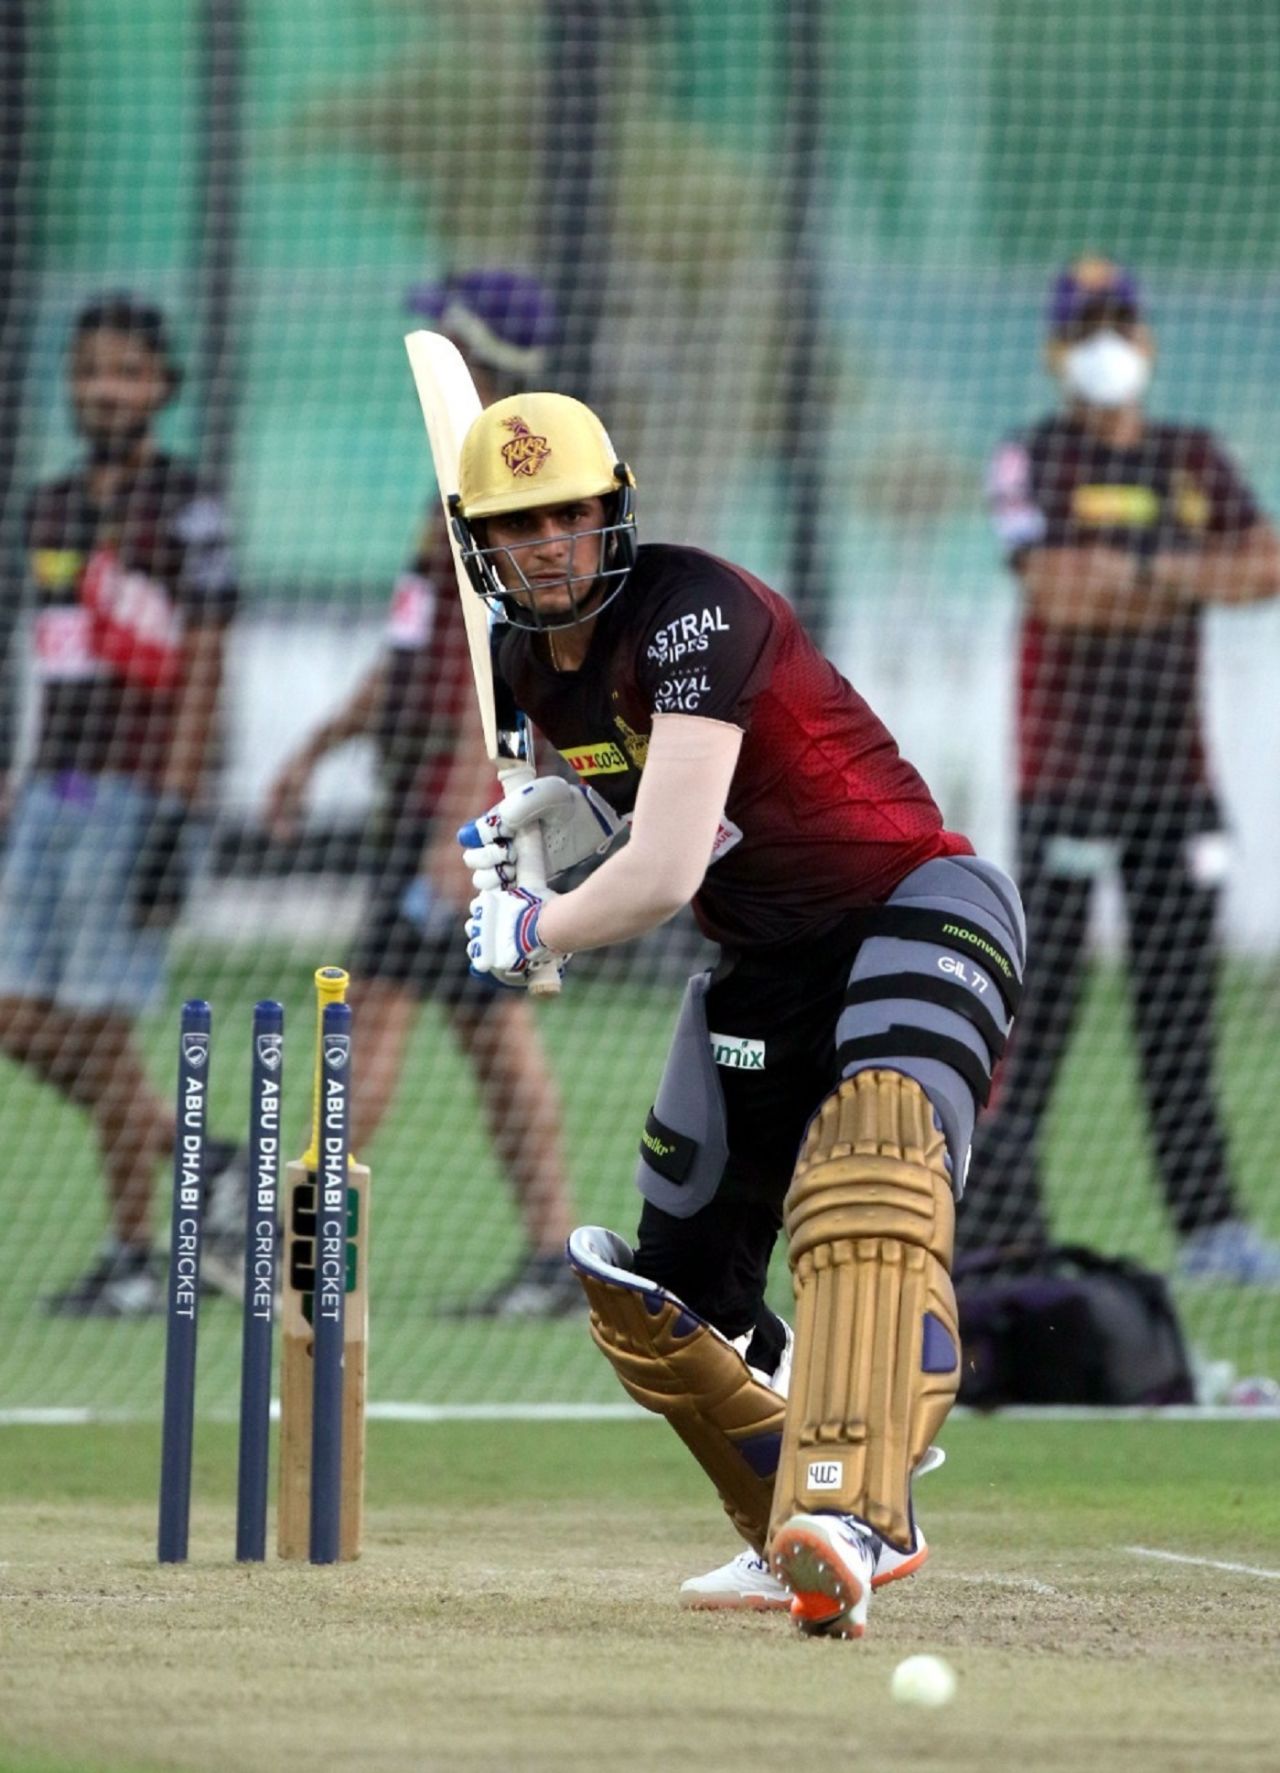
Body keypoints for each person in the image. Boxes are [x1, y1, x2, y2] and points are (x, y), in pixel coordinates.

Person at [451, 391, 1025, 1638]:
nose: (546, 541)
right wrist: (573, 823)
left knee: (873, 1177)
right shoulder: (521, 666)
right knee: (666, 1304)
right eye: (515, 524)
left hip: (911, 907)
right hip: (762, 962)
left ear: (614, 512)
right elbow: (690, 824)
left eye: (570, 513)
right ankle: (788, 1534)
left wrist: (537, 924)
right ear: (477, 542)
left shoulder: (692, 609)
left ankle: (855, 1508)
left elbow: (661, 875)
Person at [264, 270, 582, 1318]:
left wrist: (463, 828)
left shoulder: (510, 498)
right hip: (434, 810)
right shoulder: (445, 493)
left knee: (373, 1011)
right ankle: (549, 1259)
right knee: (490, 1034)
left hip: (465, 813)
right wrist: (320, 743)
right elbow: (414, 652)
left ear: (483, 359)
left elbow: (496, 676)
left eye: (446, 343)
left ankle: (300, 1240)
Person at [962, 258, 1280, 1285]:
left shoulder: (1192, 454)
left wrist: (1136, 572)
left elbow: (1261, 565)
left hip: (1174, 779)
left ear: (1144, 337)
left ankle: (1210, 1231)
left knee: (1177, 1017)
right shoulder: (1030, 456)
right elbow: (1057, 592)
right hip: (1066, 775)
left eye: (1118, 323)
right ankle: (1004, 1221)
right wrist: (1183, 576)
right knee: (1037, 1011)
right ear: (1057, 349)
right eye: (1085, 327)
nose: (1105, 344)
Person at [0, 294, 242, 1316]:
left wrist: (177, 813)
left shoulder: (187, 508)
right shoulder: (49, 509)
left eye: (126, 372)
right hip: (50, 792)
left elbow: (208, 660)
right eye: (89, 370)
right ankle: (210, 1162)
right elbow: (43, 657)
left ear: (162, 388)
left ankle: (136, 1254)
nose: (104, 388)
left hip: (136, 797)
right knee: (20, 1015)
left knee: (102, 1028)